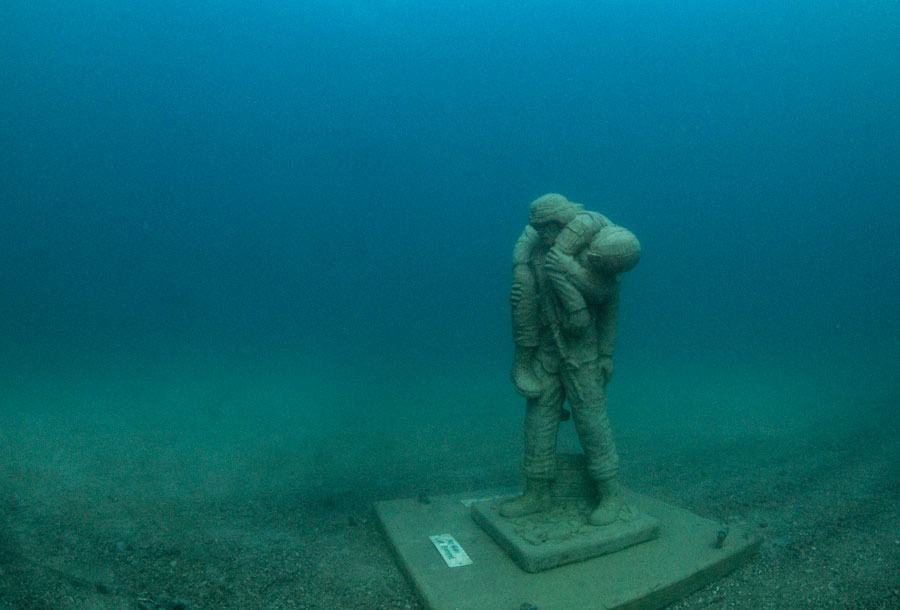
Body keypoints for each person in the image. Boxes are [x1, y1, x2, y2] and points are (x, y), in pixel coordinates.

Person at [503, 193, 641, 526]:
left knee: (591, 419)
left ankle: (610, 492)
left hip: (583, 351)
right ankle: (537, 491)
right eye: (540, 228)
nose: (545, 234)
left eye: (549, 227)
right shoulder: (535, 249)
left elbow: (609, 308)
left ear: (563, 221)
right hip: (547, 347)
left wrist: (606, 354)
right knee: (539, 416)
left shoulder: (601, 251)